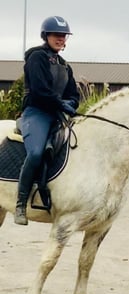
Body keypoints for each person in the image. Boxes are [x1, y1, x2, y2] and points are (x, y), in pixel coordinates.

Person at [15, 16, 80, 226]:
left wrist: (71, 103)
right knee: (35, 153)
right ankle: (20, 203)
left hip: (58, 115)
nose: (60, 39)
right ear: (46, 36)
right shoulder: (37, 58)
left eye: (63, 36)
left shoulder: (64, 65)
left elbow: (73, 93)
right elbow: (40, 91)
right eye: (56, 35)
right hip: (37, 112)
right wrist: (61, 104)